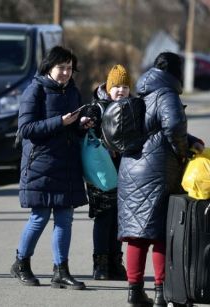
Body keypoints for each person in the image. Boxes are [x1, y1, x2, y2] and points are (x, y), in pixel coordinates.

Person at [117, 52, 204, 307]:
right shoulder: (166, 93)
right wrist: (183, 150)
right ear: (175, 72)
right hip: (157, 170)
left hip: (131, 167)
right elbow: (173, 125)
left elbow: (151, 127)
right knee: (160, 234)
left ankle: (134, 292)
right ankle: (160, 293)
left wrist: (190, 140)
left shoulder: (143, 92)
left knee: (136, 233)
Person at [10, 46, 93, 290]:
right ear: (49, 67)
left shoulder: (72, 91)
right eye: (62, 67)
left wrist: (82, 124)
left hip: (67, 163)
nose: (66, 72)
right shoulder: (34, 90)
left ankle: (61, 271)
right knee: (40, 217)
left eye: (70, 68)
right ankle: (21, 264)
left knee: (65, 219)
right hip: (40, 165)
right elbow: (25, 129)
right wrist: (59, 122)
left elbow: (73, 128)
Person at [82, 64, 128, 280]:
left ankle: (115, 262)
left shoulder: (132, 106)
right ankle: (100, 265)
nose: (121, 91)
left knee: (119, 218)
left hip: (125, 171)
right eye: (117, 86)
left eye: (125, 87)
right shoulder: (97, 107)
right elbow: (88, 120)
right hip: (102, 172)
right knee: (103, 217)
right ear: (109, 87)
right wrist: (87, 122)